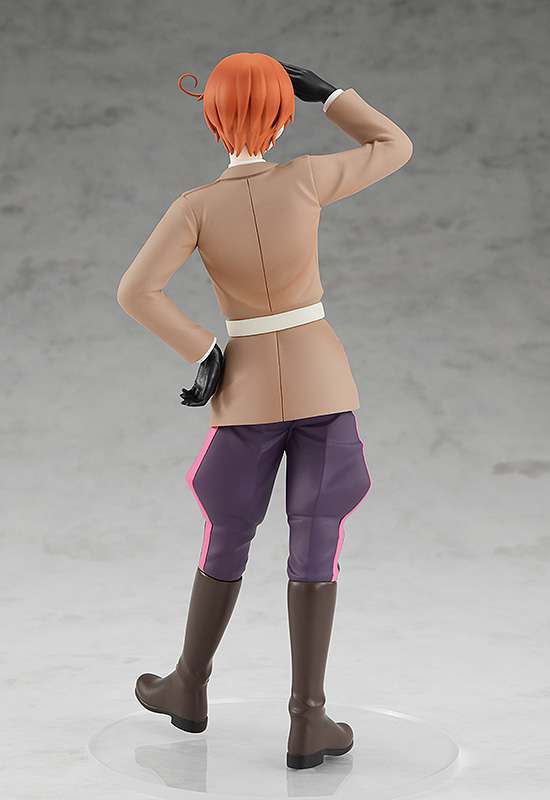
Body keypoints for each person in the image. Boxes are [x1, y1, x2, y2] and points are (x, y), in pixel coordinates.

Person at [116, 52, 413, 770]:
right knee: (316, 539)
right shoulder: (305, 177)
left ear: (213, 119)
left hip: (245, 387)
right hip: (321, 381)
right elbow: (394, 145)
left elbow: (136, 291)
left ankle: (189, 685)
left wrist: (203, 352)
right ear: (282, 118)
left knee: (227, 533)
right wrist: (332, 95)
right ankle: (307, 720)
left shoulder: (195, 206)